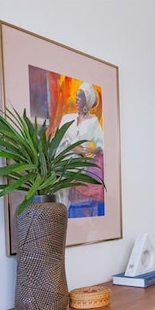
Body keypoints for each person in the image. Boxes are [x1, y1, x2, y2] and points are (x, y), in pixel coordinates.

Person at [57, 82, 105, 217]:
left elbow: (102, 145)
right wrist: (71, 145)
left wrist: (87, 151)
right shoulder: (67, 118)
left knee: (68, 188)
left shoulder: (93, 122)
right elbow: (58, 139)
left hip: (78, 164)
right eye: (76, 96)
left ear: (87, 100)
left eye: (81, 96)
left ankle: (65, 215)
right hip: (60, 160)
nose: (77, 99)